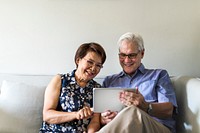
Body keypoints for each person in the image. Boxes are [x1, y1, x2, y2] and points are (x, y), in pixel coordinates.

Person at [98, 32, 177, 133]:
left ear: (142, 53)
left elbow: (169, 110)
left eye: (132, 55)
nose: (126, 60)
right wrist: (103, 119)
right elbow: (99, 116)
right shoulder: (109, 81)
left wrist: (146, 106)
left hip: (156, 128)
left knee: (133, 111)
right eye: (122, 55)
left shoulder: (159, 75)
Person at [39, 42, 106, 133]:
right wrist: (76, 114)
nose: (93, 68)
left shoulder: (98, 89)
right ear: (78, 60)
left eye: (98, 65)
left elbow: (95, 122)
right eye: (90, 62)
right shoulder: (60, 80)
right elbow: (47, 115)